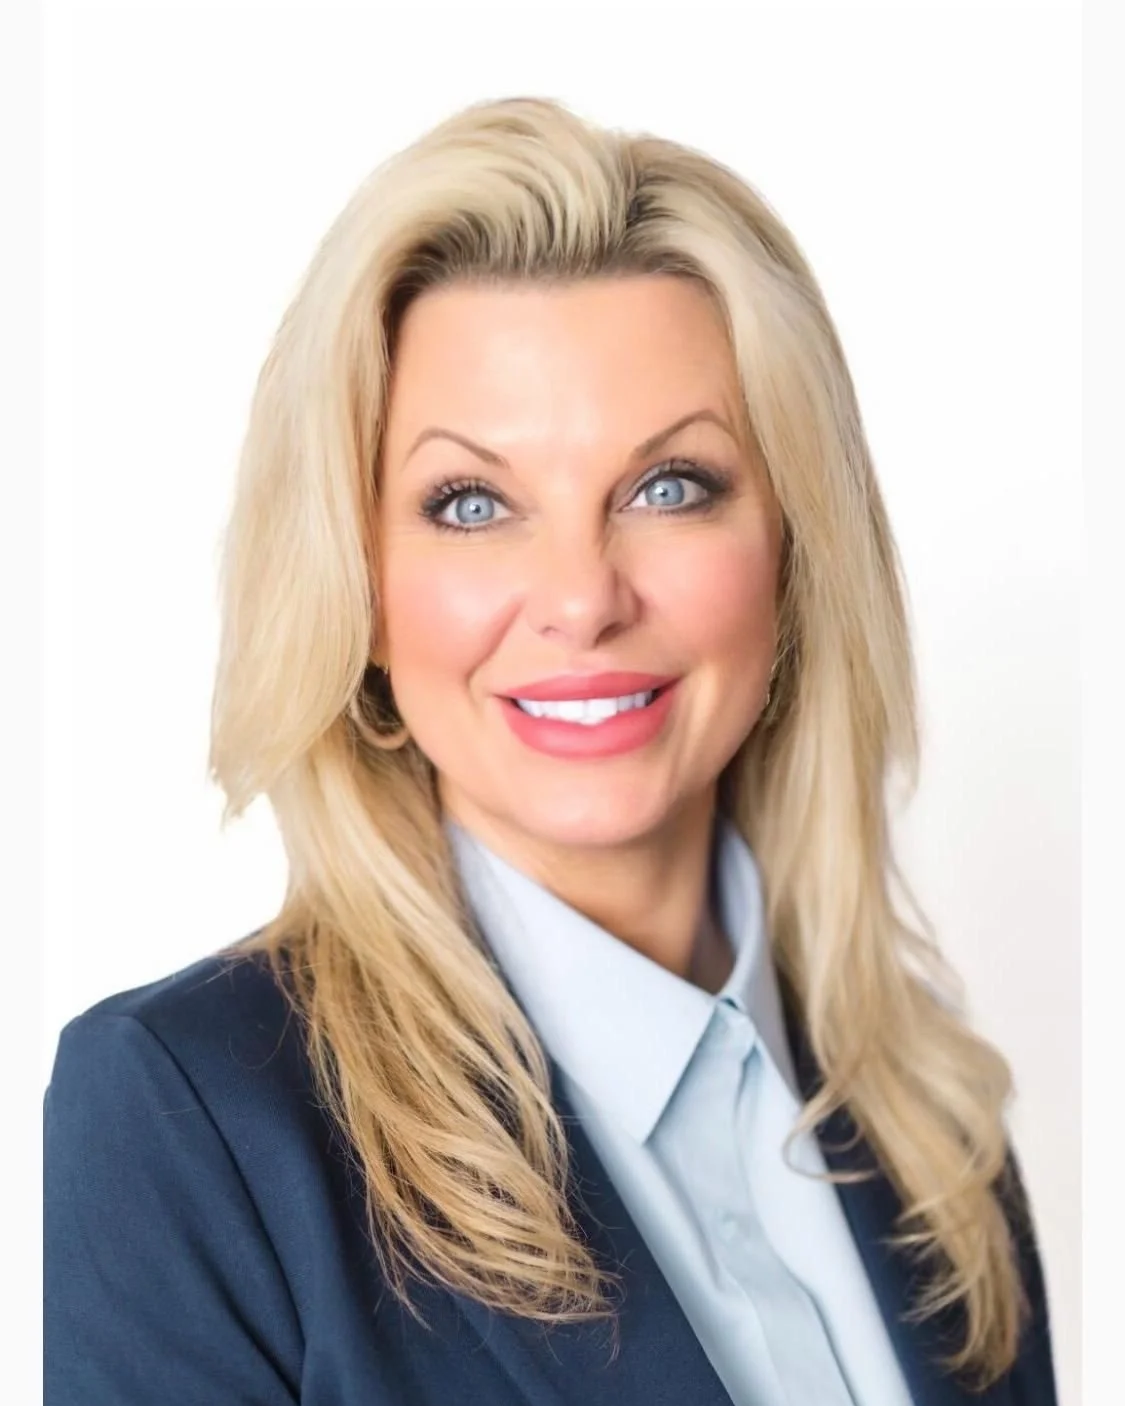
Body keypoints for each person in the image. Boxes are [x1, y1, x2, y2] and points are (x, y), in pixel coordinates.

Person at [44, 95, 1058, 1405]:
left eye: (669, 486)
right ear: (359, 593)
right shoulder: (195, 1123)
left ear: (795, 556)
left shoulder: (934, 1125)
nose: (582, 595)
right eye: (472, 502)